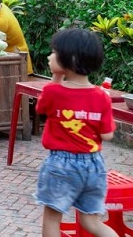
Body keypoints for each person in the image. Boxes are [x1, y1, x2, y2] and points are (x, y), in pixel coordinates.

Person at [35, 28, 116, 237]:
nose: (49, 56)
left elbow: (41, 109)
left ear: (68, 59)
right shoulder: (102, 96)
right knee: (91, 222)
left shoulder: (53, 91)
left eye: (54, 52)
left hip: (61, 164)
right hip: (94, 165)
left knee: (52, 219)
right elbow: (107, 135)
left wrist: (56, 77)